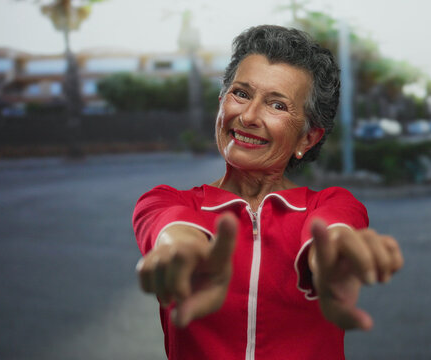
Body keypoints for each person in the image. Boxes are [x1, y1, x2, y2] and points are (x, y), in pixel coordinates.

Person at [133, 25, 403, 360]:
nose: (247, 116)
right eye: (241, 94)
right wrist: (184, 252)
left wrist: (334, 258)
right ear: (221, 103)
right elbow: (175, 230)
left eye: (276, 105)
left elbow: (332, 232)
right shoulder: (165, 201)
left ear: (308, 138)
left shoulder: (332, 203)